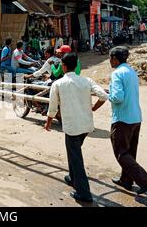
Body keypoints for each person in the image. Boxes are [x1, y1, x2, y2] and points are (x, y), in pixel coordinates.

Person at [45, 53, 108, 203]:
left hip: (72, 127)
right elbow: (104, 96)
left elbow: (52, 107)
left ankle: (84, 193)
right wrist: (94, 108)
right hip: (86, 126)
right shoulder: (86, 80)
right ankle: (72, 178)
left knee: (76, 158)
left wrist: (47, 123)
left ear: (64, 66)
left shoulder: (58, 84)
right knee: (73, 153)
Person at [108, 46, 147, 195]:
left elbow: (117, 97)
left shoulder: (117, 73)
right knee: (130, 151)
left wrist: (106, 95)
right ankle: (126, 180)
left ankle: (145, 180)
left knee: (121, 153)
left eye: (110, 58)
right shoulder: (131, 71)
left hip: (122, 119)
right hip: (135, 117)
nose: (110, 61)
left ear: (115, 59)